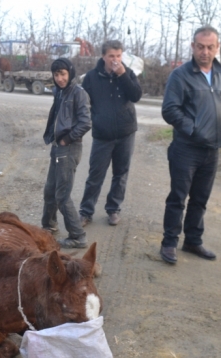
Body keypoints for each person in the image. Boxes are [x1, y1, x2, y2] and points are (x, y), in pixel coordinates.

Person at [159, 26, 221, 265]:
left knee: (200, 199)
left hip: (211, 151)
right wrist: (194, 130)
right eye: (200, 46)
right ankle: (169, 243)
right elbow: (169, 109)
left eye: (210, 47)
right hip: (186, 149)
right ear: (193, 47)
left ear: (217, 47)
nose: (205, 51)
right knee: (178, 198)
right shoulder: (180, 75)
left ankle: (193, 240)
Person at [79, 40, 142, 227]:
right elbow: (83, 104)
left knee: (121, 174)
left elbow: (136, 95)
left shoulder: (128, 73)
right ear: (103, 57)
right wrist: (94, 120)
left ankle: (113, 209)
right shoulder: (91, 77)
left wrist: (122, 75)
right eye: (111, 56)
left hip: (126, 132)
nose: (115, 60)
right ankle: (86, 211)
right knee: (95, 174)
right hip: (102, 135)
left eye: (118, 56)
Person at [41, 58, 92, 248]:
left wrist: (66, 139)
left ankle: (78, 236)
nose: (60, 78)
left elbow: (86, 122)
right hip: (57, 147)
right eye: (56, 75)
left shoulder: (79, 93)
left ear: (70, 73)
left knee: (62, 195)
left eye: (63, 74)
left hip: (68, 148)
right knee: (49, 190)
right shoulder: (60, 92)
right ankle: (49, 226)